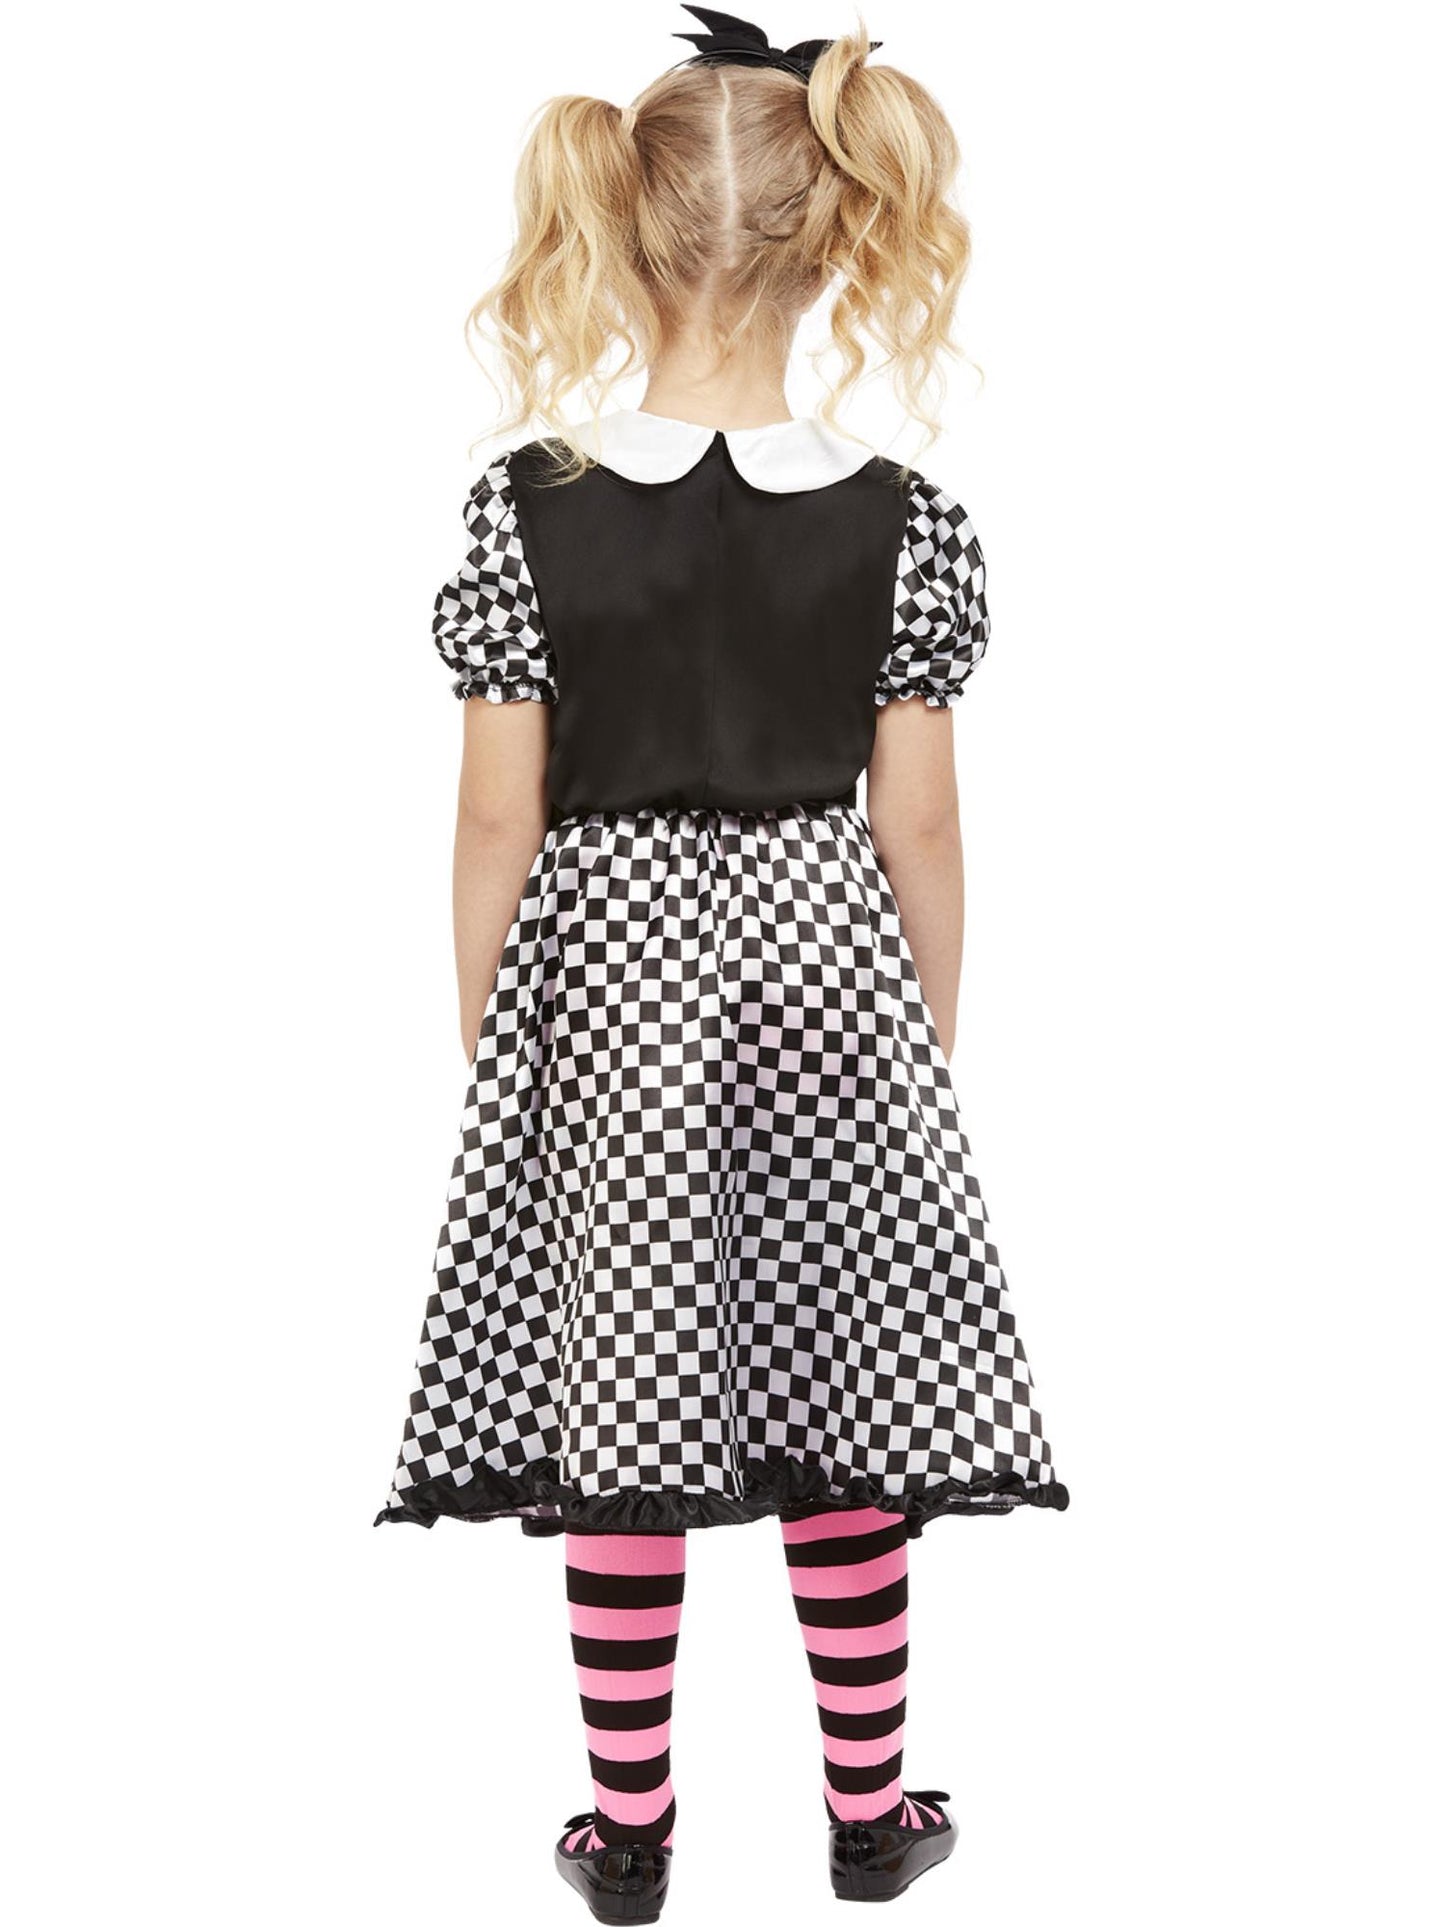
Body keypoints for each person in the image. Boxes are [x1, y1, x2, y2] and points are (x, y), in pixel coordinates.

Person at [375, 7, 1069, 1915]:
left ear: (615, 227)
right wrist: (917, 1048)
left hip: (607, 986)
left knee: (629, 1393)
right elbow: (922, 830)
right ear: (837, 238)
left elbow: (494, 822)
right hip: (827, 974)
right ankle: (871, 1809)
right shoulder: (905, 518)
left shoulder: (525, 506)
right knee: (842, 1388)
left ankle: (627, 1832)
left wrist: (498, 1042)